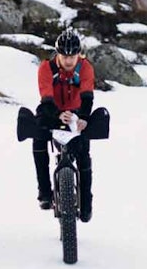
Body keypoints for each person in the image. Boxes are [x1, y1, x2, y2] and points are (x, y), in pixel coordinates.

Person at [18, 28, 109, 222]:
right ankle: (44, 192)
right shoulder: (46, 68)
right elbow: (46, 98)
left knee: (83, 150)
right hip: (52, 110)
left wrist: (82, 118)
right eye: (64, 56)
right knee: (38, 137)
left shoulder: (85, 68)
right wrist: (58, 114)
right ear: (57, 54)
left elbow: (87, 96)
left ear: (78, 54)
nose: (68, 61)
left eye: (72, 57)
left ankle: (86, 203)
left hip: (77, 112)